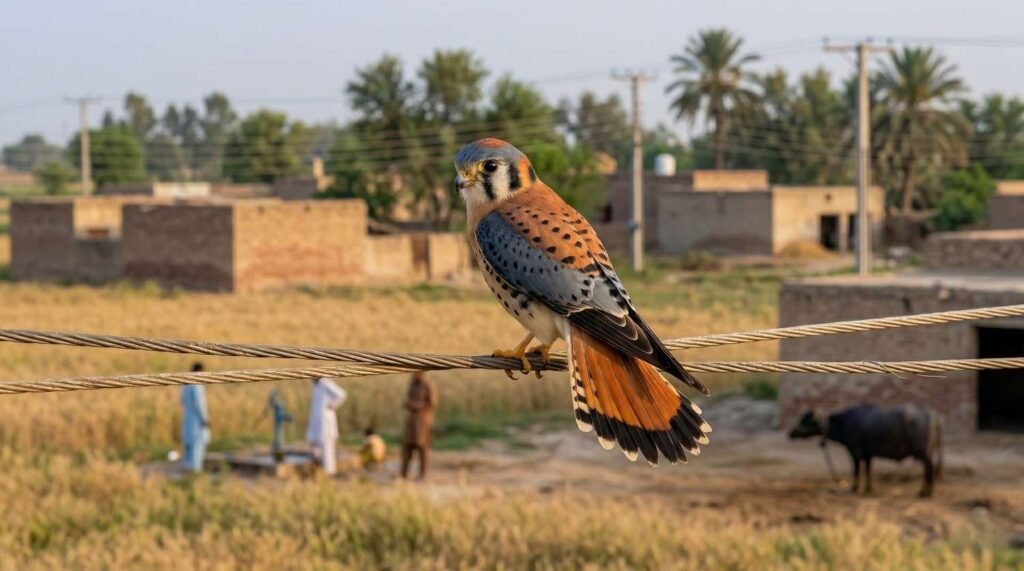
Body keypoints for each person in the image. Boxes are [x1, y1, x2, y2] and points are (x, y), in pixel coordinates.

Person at [305, 377, 347, 475]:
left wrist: (332, 404)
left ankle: (329, 472)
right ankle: (317, 468)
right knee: (313, 442)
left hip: (325, 419)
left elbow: (341, 394)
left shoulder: (326, 384)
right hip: (316, 419)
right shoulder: (315, 386)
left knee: (327, 446)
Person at [400, 371, 436, 480]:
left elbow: (432, 403)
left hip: (423, 421)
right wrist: (407, 404)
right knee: (407, 446)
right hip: (411, 420)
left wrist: (416, 406)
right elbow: (408, 398)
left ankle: (422, 474)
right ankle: (404, 474)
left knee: (422, 447)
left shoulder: (428, 385)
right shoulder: (412, 384)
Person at [180, 362, 211, 473]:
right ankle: (195, 473)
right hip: (197, 421)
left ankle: (187, 473)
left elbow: (182, 401)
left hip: (188, 419)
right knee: (197, 448)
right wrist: (205, 419)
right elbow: (200, 404)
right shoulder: (197, 385)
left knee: (188, 447)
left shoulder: (185, 385)